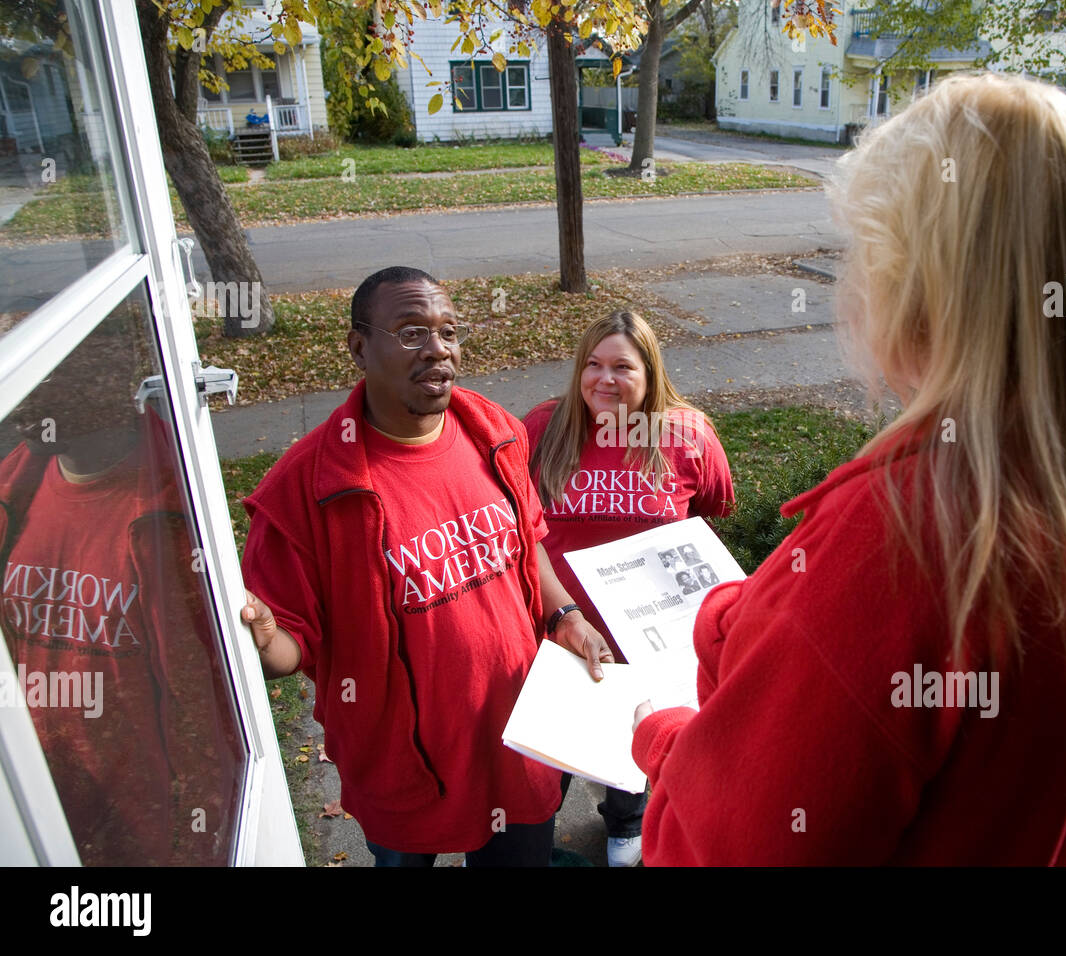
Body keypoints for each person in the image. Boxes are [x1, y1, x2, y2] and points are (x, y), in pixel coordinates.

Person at [629, 74, 1066, 865]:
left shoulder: (902, 530)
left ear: (916, 283)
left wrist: (661, 738)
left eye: (863, 251)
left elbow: (728, 844)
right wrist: (757, 621)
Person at [239, 266, 614, 867]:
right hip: (402, 765)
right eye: (411, 332)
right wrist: (261, 639)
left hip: (515, 737)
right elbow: (289, 647)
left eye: (448, 331)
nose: (438, 349)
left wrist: (564, 614)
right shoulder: (307, 488)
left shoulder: (493, 431)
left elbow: (529, 539)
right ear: (360, 347)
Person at [0, 314, 242, 865]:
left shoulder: (171, 515)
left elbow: (204, 704)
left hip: (141, 816)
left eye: (41, 372)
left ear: (111, 374)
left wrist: (201, 835)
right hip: (38, 794)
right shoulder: (15, 489)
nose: (17, 396)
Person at [523, 311, 734, 866]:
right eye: (592, 365)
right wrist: (559, 612)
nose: (604, 380)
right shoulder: (544, 428)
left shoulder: (687, 434)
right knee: (552, 757)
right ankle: (532, 836)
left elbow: (709, 511)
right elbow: (516, 522)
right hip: (561, 626)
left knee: (637, 740)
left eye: (622, 366)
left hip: (649, 631)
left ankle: (625, 824)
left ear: (650, 370)